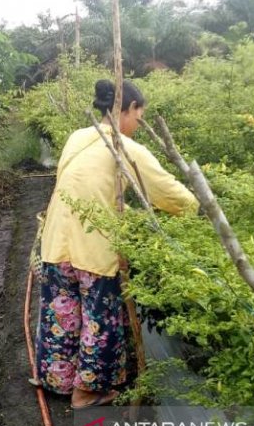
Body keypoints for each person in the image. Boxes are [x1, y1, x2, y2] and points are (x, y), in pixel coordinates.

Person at [35, 79, 199, 409]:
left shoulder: (76, 138)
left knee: (62, 311)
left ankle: (58, 382)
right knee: (99, 318)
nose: (140, 122)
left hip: (56, 240)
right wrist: (199, 210)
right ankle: (87, 393)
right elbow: (170, 194)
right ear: (128, 110)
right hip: (94, 247)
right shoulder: (127, 149)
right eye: (140, 114)